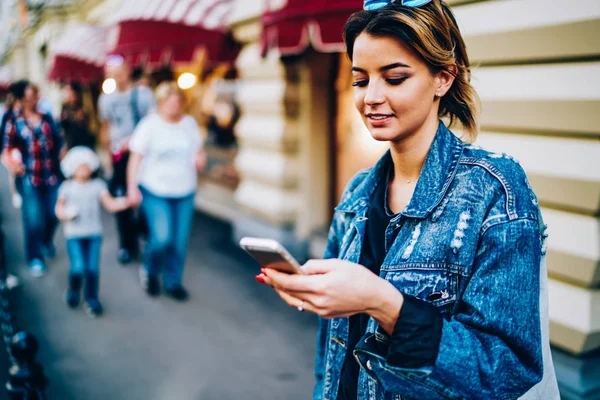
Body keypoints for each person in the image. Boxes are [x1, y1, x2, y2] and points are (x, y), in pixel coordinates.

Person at [256, 1, 560, 399]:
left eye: (395, 78)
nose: (371, 98)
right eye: (361, 80)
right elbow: (332, 350)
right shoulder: (357, 193)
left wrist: (384, 304)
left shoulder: (495, 189)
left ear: (442, 79)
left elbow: (507, 367)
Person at [127, 82, 206, 301]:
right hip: (155, 190)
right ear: (161, 103)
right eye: (169, 101)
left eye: (178, 101)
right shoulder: (149, 125)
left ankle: (173, 281)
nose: (174, 106)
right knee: (162, 237)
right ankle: (150, 271)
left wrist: (200, 160)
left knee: (179, 241)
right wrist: (132, 188)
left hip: (185, 191)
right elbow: (135, 159)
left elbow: (198, 152)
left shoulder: (189, 124)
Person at [55, 147, 129, 317]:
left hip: (94, 234)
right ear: (71, 168)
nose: (84, 170)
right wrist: (65, 214)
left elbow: (109, 204)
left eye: (87, 166)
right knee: (78, 267)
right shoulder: (67, 188)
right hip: (74, 234)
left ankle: (91, 298)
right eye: (80, 167)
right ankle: (73, 289)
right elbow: (59, 209)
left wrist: (126, 202)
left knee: (92, 268)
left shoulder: (98, 186)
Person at [2, 80, 65, 277]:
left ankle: (45, 241)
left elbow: (59, 141)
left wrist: (63, 152)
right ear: (21, 99)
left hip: (51, 175)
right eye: (29, 98)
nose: (33, 101)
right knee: (33, 219)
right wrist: (13, 164)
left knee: (53, 213)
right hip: (29, 178)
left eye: (35, 96)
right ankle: (34, 256)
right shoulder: (13, 120)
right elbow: (6, 148)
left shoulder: (46, 118)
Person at [98, 55, 155, 264]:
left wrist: (132, 141)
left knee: (144, 197)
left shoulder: (143, 95)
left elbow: (153, 123)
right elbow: (106, 127)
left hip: (142, 155)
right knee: (121, 198)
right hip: (119, 157)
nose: (117, 77)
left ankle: (146, 233)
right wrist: (109, 157)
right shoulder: (106, 99)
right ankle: (127, 244)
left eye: (120, 71)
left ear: (128, 70)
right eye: (112, 73)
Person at [1, 89, 23, 209]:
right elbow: (3, 132)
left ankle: (21, 191)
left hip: (20, 148)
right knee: (13, 172)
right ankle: (15, 193)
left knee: (21, 171)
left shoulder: (23, 113)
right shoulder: (8, 115)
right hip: (11, 149)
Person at [60, 82, 96, 150]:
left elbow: (91, 127)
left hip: (86, 143)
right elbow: (64, 127)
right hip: (73, 144)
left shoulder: (84, 106)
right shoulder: (65, 108)